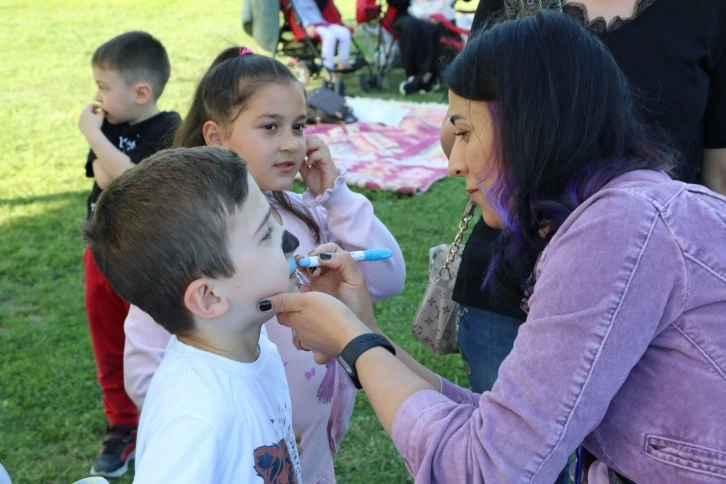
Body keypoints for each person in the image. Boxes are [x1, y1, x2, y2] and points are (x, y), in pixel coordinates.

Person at [260, 12, 726, 483]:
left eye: (463, 132)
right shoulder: (617, 212)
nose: (454, 163)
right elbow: (500, 428)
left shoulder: (616, 228)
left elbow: (487, 469)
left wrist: (354, 343)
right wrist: (365, 336)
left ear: (532, 123)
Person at [122, 47, 406, 483]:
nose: (291, 142)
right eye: (270, 127)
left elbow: (388, 278)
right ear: (216, 136)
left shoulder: (305, 211)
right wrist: (240, 422)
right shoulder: (187, 237)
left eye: (299, 126)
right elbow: (145, 369)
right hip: (251, 453)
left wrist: (338, 197)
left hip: (307, 450)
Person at [455, 0, 726, 401]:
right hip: (509, 285)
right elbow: (462, 119)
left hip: (643, 300)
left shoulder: (708, 11)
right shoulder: (511, 3)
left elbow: (717, 176)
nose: (453, 165)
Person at [84, 147, 303, 483]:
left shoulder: (256, 348)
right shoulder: (192, 420)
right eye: (265, 235)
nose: (289, 240)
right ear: (209, 296)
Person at [76, 30, 181, 478]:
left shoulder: (169, 130)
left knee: (153, 344)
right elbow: (103, 170)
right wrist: (108, 153)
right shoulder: (112, 130)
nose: (96, 96)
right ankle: (122, 424)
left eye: (103, 86)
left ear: (141, 92)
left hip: (147, 259)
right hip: (101, 254)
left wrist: (91, 133)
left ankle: (165, 416)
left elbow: (123, 182)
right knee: (108, 341)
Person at [291, 0, 351, 89]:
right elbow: (297, 12)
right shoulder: (295, 1)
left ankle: (343, 62)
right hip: (311, 26)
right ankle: (328, 69)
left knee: (345, 32)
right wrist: (307, 25)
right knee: (329, 37)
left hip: (323, 23)